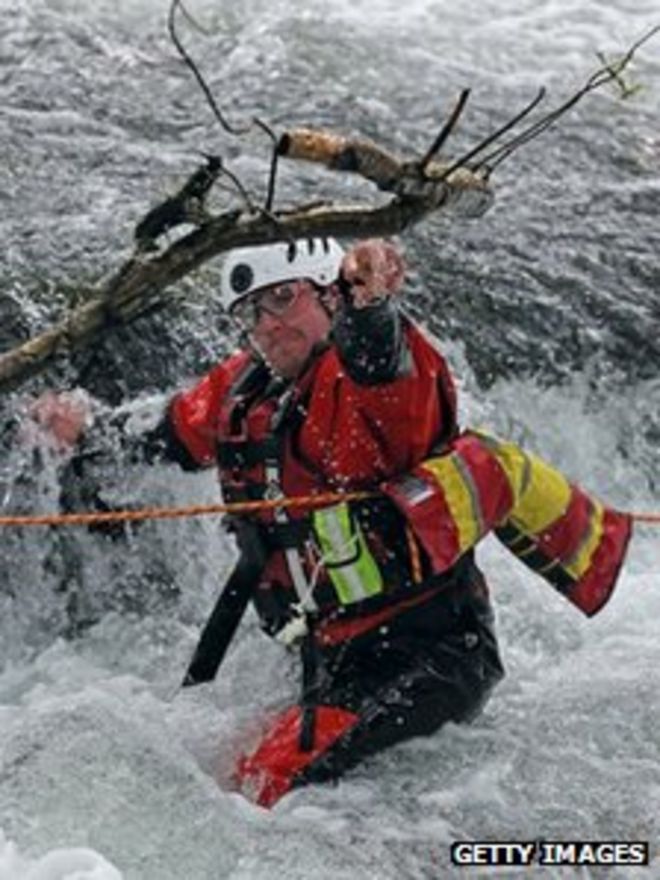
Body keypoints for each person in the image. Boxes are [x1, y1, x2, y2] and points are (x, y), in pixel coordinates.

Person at [27, 236, 631, 808]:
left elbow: (382, 358)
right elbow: (170, 433)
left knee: (259, 790)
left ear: (329, 295)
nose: (266, 323)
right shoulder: (247, 387)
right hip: (329, 656)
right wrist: (85, 429)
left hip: (429, 655)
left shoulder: (375, 377)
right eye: (250, 311)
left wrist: (370, 304)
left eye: (283, 298)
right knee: (218, 778)